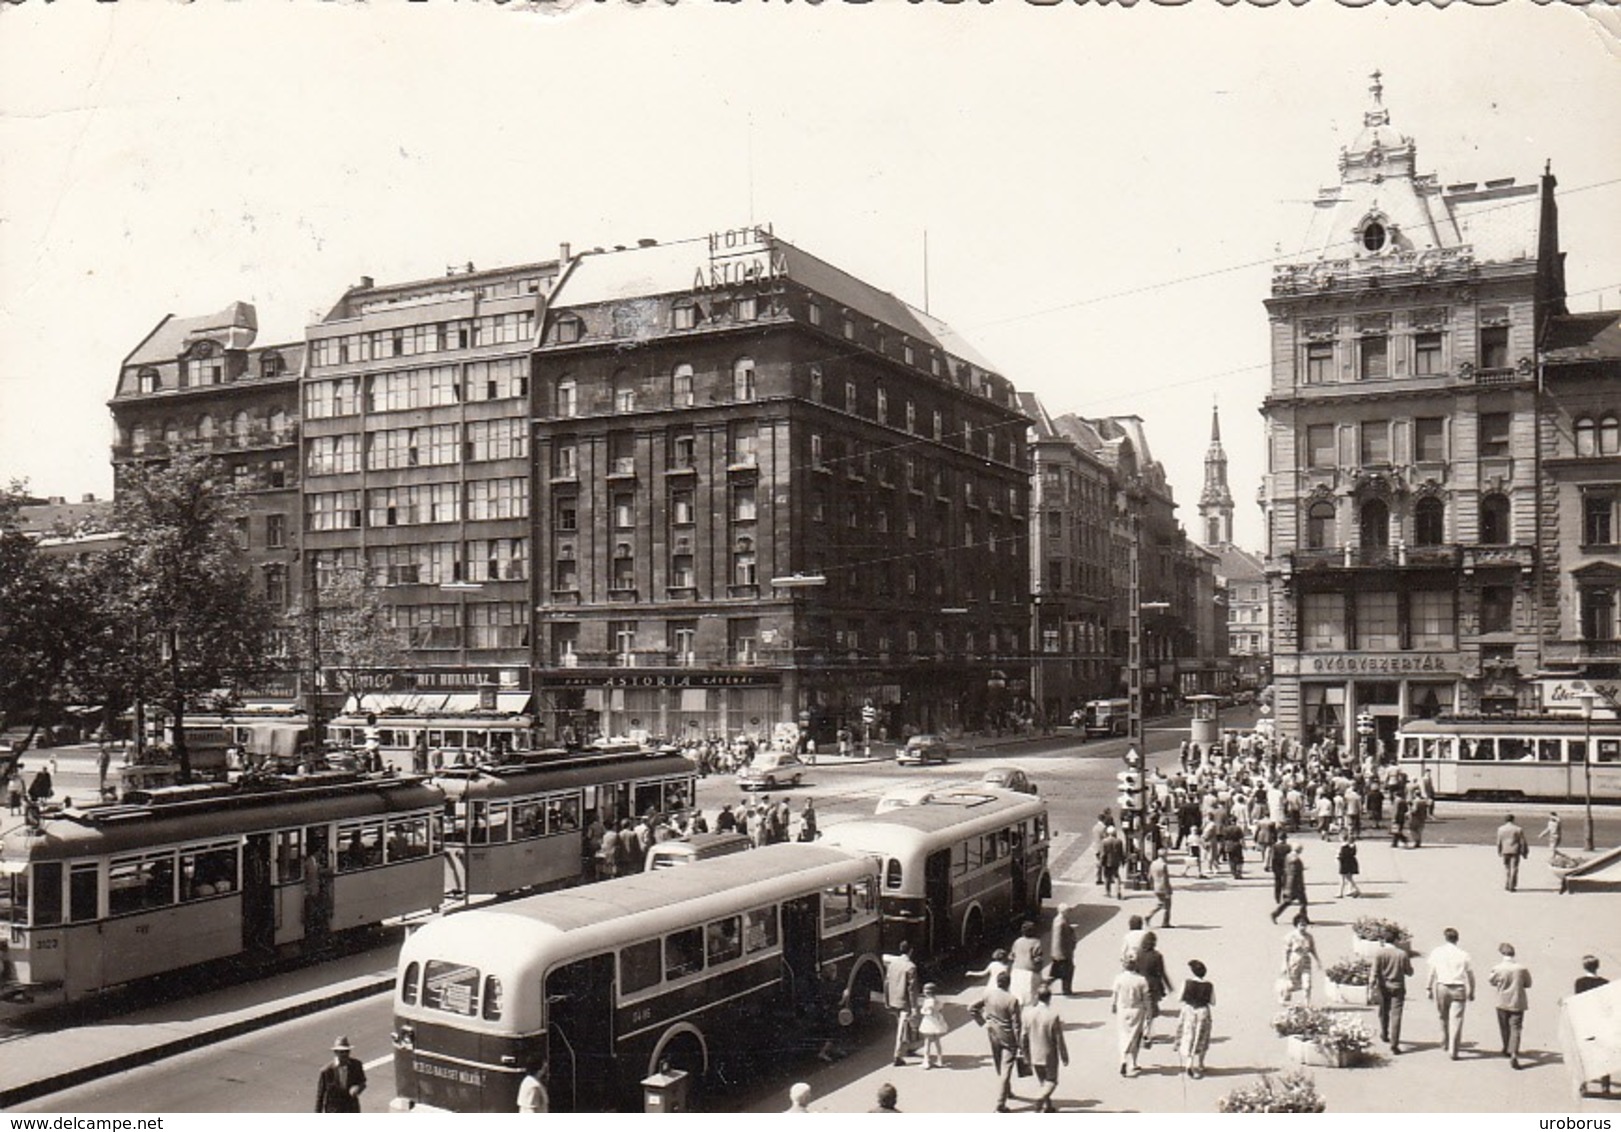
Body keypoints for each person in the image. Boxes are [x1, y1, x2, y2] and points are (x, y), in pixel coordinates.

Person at [968, 969, 1023, 1112]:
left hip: (992, 1034)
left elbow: (972, 1008)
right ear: (1009, 984)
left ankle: (1006, 1091)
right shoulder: (1012, 1000)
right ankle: (1000, 1104)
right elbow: (1017, 1025)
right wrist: (1020, 1044)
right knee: (1006, 1069)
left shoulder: (988, 995)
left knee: (999, 1065)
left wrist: (983, 1022)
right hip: (1008, 1037)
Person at [1425, 927, 1476, 1059]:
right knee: (1456, 1019)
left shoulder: (1437, 952)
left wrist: (1428, 987)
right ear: (1457, 939)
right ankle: (1453, 1048)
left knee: (1443, 1015)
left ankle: (1444, 1040)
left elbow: (1432, 972)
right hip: (1459, 988)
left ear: (1445, 938)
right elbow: (1470, 975)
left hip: (1442, 986)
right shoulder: (1464, 954)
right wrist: (1472, 990)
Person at [1020, 981, 1069, 1112]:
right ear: (1049, 998)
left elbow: (1023, 1037)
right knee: (1052, 1081)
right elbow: (1059, 1039)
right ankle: (1040, 1098)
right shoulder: (1052, 1015)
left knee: (1043, 1082)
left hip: (1034, 1054)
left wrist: (1025, 1055)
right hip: (1049, 1055)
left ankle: (1048, 1106)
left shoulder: (1027, 1014)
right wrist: (1064, 1055)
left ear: (1037, 997)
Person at [1488, 942, 1532, 1069]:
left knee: (1504, 1027)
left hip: (1502, 1001)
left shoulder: (1498, 968)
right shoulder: (1521, 968)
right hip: (1517, 1001)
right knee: (1516, 1028)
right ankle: (1513, 1052)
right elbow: (1528, 983)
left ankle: (1506, 1047)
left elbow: (1491, 981)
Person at [1574, 956, 1612, 1095]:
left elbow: (1578, 1001)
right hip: (1601, 1022)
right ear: (1598, 966)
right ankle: (1605, 1085)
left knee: (1584, 1053)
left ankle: (1583, 1084)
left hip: (1585, 1021)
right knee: (1604, 1054)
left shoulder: (1579, 982)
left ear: (1584, 967)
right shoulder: (1605, 982)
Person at [1371, 934, 1414, 1054]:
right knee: (1396, 1015)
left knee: (1384, 1011)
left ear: (1384, 940)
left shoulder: (1379, 953)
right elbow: (1409, 972)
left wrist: (1371, 985)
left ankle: (1384, 1033)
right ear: (1395, 940)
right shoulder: (1402, 954)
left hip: (1383, 986)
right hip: (1398, 987)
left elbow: (1374, 971)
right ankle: (1394, 1044)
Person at [1111, 956, 1150, 1078]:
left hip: (1123, 1009)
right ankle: (1133, 1062)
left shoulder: (1119, 978)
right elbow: (1146, 997)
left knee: (1123, 1034)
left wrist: (1113, 1005)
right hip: (1137, 1009)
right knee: (1135, 1036)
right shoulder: (1141, 980)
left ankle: (1123, 1058)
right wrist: (1148, 1011)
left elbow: (1115, 994)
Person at [1175, 959, 1215, 1078]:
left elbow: (1179, 998)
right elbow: (1213, 1002)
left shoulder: (1187, 983)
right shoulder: (1209, 985)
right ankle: (1201, 1063)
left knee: (1189, 1036)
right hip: (1202, 1011)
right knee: (1201, 1037)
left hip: (1189, 1010)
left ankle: (1189, 1062)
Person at [884, 941, 920, 1066]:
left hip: (894, 1000)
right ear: (911, 951)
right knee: (903, 1027)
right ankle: (897, 1055)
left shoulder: (893, 964)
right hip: (905, 1002)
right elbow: (912, 990)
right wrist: (914, 1007)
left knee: (903, 1025)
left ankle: (909, 1048)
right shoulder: (911, 966)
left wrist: (887, 1000)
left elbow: (887, 982)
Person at [314, 1036, 367, 1112]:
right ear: (335, 1052)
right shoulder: (326, 1071)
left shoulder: (356, 1065)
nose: (344, 1054)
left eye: (347, 1051)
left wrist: (358, 1088)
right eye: (341, 1052)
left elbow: (363, 1082)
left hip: (351, 1109)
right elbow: (320, 1096)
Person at [1136, 930, 1170, 1048]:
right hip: (1152, 986)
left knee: (1142, 1010)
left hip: (1139, 985)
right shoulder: (1157, 956)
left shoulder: (1138, 954)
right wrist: (1167, 986)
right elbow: (1161, 973)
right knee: (1150, 1012)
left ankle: (1142, 1031)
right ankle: (1146, 1034)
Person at [1279, 914, 1320, 1005]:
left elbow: (1312, 949)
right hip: (1294, 962)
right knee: (1293, 984)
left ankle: (1307, 1004)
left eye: (1305, 925)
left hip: (1305, 962)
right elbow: (1286, 952)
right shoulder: (1290, 936)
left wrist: (1318, 961)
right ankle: (1283, 992)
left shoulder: (1309, 937)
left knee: (1307, 984)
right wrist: (1285, 965)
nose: (1303, 927)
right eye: (1301, 924)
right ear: (1296, 925)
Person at [1270, 843, 1308, 924]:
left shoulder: (1288, 857)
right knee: (1301, 902)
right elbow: (1294, 874)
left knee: (1295, 902)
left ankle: (1304, 917)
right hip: (1295, 885)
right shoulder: (1295, 860)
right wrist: (1298, 885)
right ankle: (1275, 914)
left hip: (1289, 883)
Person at [1009, 920, 1044, 1005]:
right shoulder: (1036, 942)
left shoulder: (1017, 941)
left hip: (1016, 970)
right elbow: (1037, 959)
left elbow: (1011, 956)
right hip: (1030, 972)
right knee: (1031, 998)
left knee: (1016, 996)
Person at [916, 981, 948, 1069]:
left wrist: (922, 1011)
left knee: (927, 1042)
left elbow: (929, 1012)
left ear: (927, 992)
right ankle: (940, 1060)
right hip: (937, 1022)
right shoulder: (938, 1001)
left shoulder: (928, 1001)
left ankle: (926, 1061)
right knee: (937, 1042)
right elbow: (939, 1010)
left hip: (929, 1022)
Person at [1048, 904, 1077, 996]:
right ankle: (1066, 990)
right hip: (1063, 952)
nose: (1069, 913)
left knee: (1058, 972)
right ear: (1064, 911)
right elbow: (1060, 938)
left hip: (1061, 952)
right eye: (1068, 911)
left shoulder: (1060, 920)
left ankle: (1065, 989)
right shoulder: (1061, 922)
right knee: (1067, 971)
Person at [1496, 814, 1529, 892]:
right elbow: (1523, 842)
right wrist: (1525, 852)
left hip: (1505, 850)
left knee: (1507, 868)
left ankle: (1507, 884)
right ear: (1513, 819)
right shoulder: (1518, 829)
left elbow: (1498, 842)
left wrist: (1499, 850)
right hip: (1515, 850)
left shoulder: (1500, 829)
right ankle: (1512, 885)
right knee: (1514, 868)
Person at [1145, 847, 1173, 928]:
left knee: (1160, 904)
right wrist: (1168, 890)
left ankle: (1149, 915)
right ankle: (1165, 922)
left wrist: (1151, 885)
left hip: (1156, 886)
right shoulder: (1163, 865)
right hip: (1163, 887)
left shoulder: (1153, 863)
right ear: (1164, 856)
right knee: (1167, 906)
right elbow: (1165, 879)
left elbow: (1149, 876)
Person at [1099, 824, 1126, 898]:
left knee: (1107, 877)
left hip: (1107, 862)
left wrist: (1101, 862)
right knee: (1116, 876)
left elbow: (1103, 853)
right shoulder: (1119, 841)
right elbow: (1121, 852)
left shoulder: (1105, 841)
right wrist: (1123, 861)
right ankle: (1118, 891)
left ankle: (1108, 892)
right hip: (1116, 861)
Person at [1336, 831, 1362, 898]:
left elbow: (1342, 856)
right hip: (1350, 864)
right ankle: (1353, 890)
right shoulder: (1349, 846)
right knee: (1349, 879)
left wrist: (1338, 857)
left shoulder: (1343, 847)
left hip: (1344, 864)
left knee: (1343, 879)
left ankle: (1341, 893)